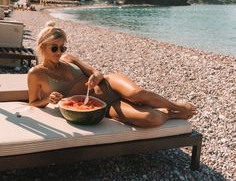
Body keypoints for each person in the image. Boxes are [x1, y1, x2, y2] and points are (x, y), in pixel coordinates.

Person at [28, 21, 197, 127]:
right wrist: (47, 100)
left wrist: (95, 76)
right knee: (148, 118)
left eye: (62, 47)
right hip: (103, 106)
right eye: (54, 48)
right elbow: (33, 102)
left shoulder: (68, 58)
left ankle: (176, 106)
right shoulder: (36, 74)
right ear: (42, 47)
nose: (59, 52)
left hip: (109, 83)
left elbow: (96, 72)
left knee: (137, 93)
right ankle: (171, 115)